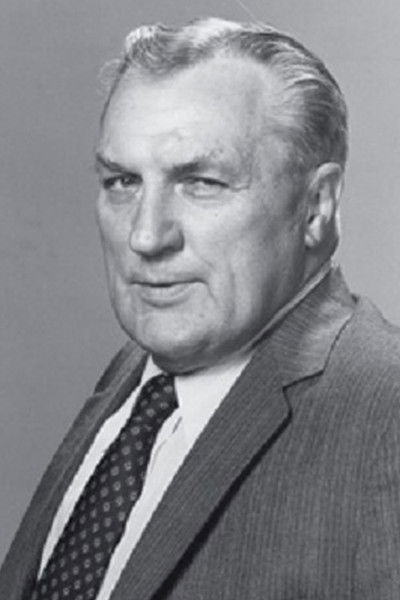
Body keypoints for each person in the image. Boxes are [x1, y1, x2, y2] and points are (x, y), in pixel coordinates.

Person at [2, 16, 400, 600]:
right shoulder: (140, 380)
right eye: (122, 182)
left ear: (316, 206)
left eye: (202, 182)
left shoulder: (386, 416)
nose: (145, 236)